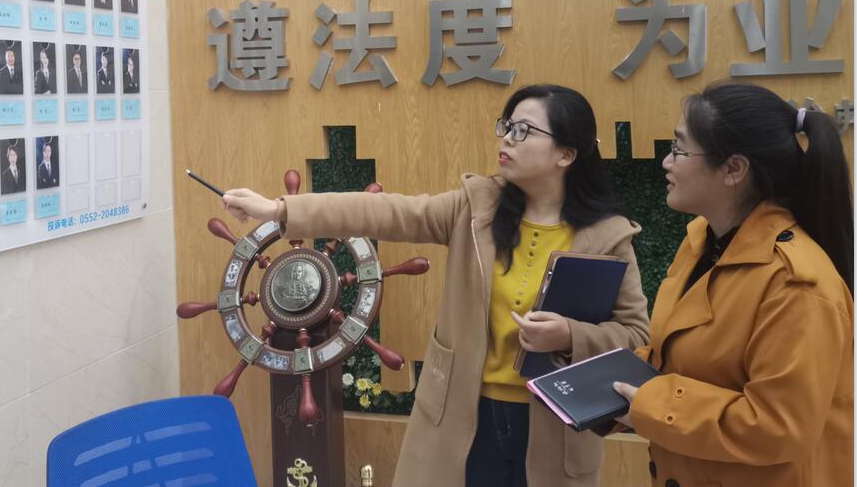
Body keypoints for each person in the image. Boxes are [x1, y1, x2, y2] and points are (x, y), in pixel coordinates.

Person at [222, 84, 650, 487]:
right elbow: (385, 212)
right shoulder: (475, 207)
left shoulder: (607, 237)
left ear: (566, 154)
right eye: (507, 126)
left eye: (524, 131)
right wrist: (279, 209)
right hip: (464, 416)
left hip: (555, 427)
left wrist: (569, 336)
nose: (507, 139)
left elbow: (635, 335)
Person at [611, 82, 854, 487]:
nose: (667, 162)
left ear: (734, 169)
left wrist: (652, 404)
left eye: (679, 149)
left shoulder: (796, 284)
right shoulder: (700, 242)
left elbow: (778, 426)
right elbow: (680, 359)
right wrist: (605, 386)